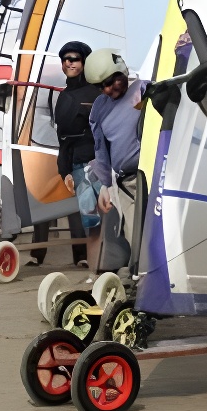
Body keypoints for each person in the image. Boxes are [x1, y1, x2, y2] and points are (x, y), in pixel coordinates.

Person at [85, 49, 147, 270]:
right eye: (101, 86)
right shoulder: (99, 109)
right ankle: (141, 278)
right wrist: (105, 186)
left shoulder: (143, 89)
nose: (108, 90)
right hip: (126, 184)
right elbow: (101, 150)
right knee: (135, 236)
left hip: (152, 177)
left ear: (122, 70)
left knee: (158, 232)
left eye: (111, 82)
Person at [52, 41, 102, 269]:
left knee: (113, 220)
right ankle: (95, 272)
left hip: (102, 166)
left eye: (75, 58)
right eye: (65, 59)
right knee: (90, 222)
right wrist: (64, 171)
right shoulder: (63, 97)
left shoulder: (100, 92)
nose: (69, 62)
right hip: (79, 169)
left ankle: (116, 269)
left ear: (85, 62)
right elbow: (62, 140)